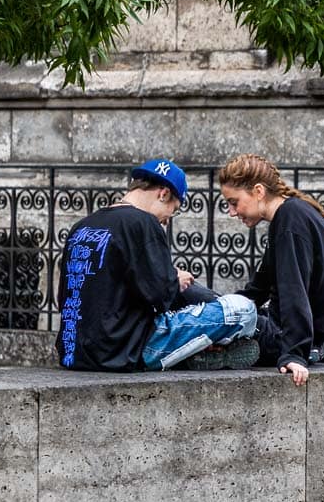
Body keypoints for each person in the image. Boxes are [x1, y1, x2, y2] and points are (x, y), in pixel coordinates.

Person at [55, 158, 258, 372]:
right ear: (163, 193)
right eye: (174, 209)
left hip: (74, 353)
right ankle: (206, 349)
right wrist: (175, 278)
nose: (167, 220)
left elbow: (68, 296)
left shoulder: (82, 226)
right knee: (243, 309)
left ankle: (195, 352)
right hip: (126, 350)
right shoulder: (143, 222)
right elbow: (162, 298)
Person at [218, 154, 324, 386]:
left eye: (234, 202)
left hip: (291, 339)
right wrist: (225, 307)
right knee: (214, 307)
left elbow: (294, 289)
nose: (231, 212)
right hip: (299, 335)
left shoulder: (290, 220)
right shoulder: (290, 216)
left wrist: (294, 354)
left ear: (258, 191)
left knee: (190, 296)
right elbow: (256, 291)